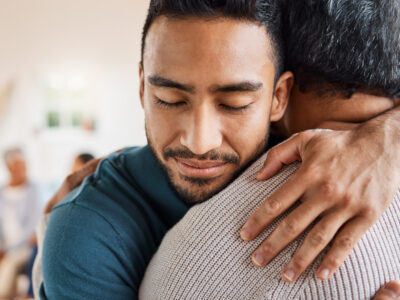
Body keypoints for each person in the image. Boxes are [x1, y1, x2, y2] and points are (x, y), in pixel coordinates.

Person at [39, 0, 400, 299]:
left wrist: (383, 141)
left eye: (235, 104)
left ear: (279, 99)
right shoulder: (85, 233)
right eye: (169, 99)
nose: (200, 142)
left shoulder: (305, 145)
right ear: (142, 89)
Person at [0, 148, 42, 299]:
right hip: (5, 248)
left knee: (10, 264)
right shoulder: (2, 192)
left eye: (25, 165)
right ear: (9, 167)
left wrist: (8, 249)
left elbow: (33, 226)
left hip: (25, 247)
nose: (23, 170)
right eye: (19, 166)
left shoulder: (34, 189)